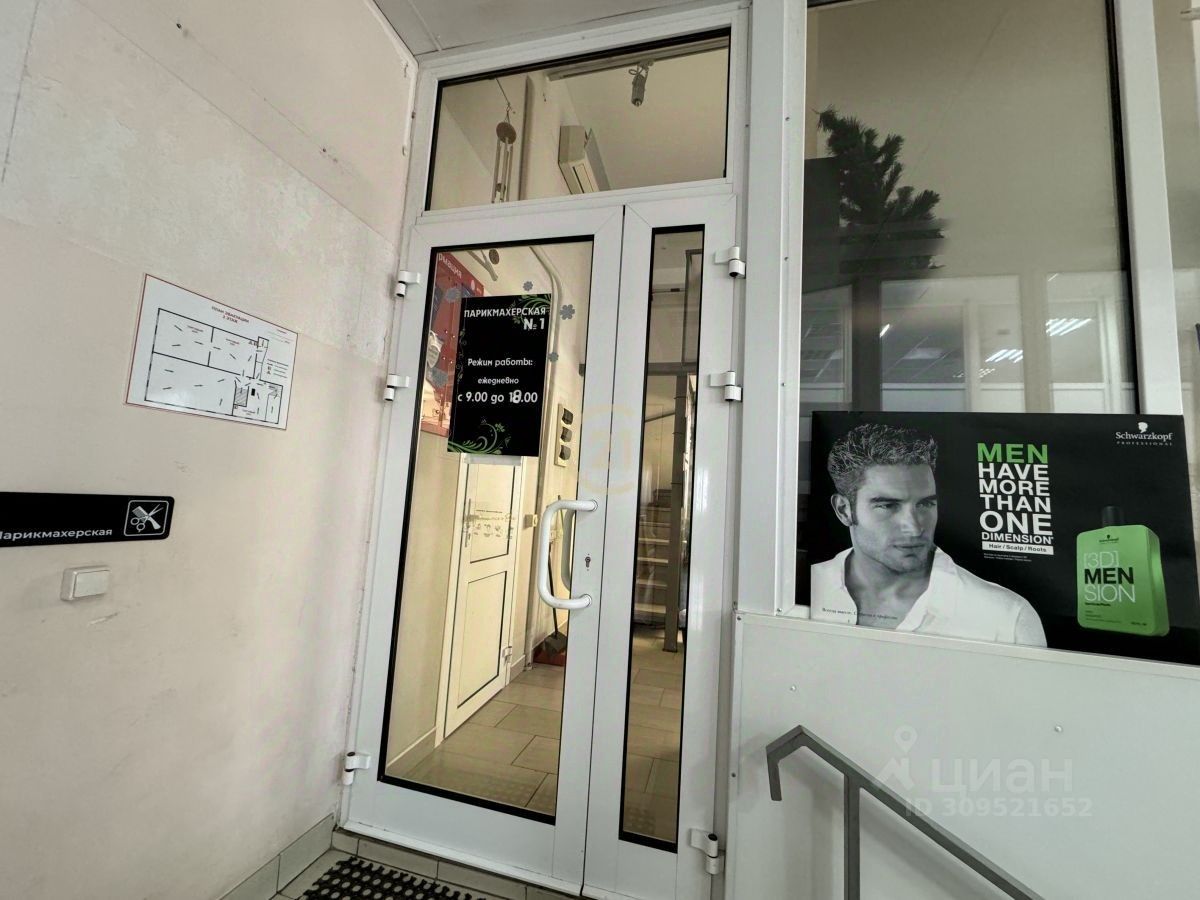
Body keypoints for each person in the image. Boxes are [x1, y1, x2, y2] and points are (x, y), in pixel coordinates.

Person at [810, 422, 1047, 647]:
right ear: (843, 510)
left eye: (925, 504)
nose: (914, 528)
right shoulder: (805, 586)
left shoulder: (1007, 618)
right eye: (888, 506)